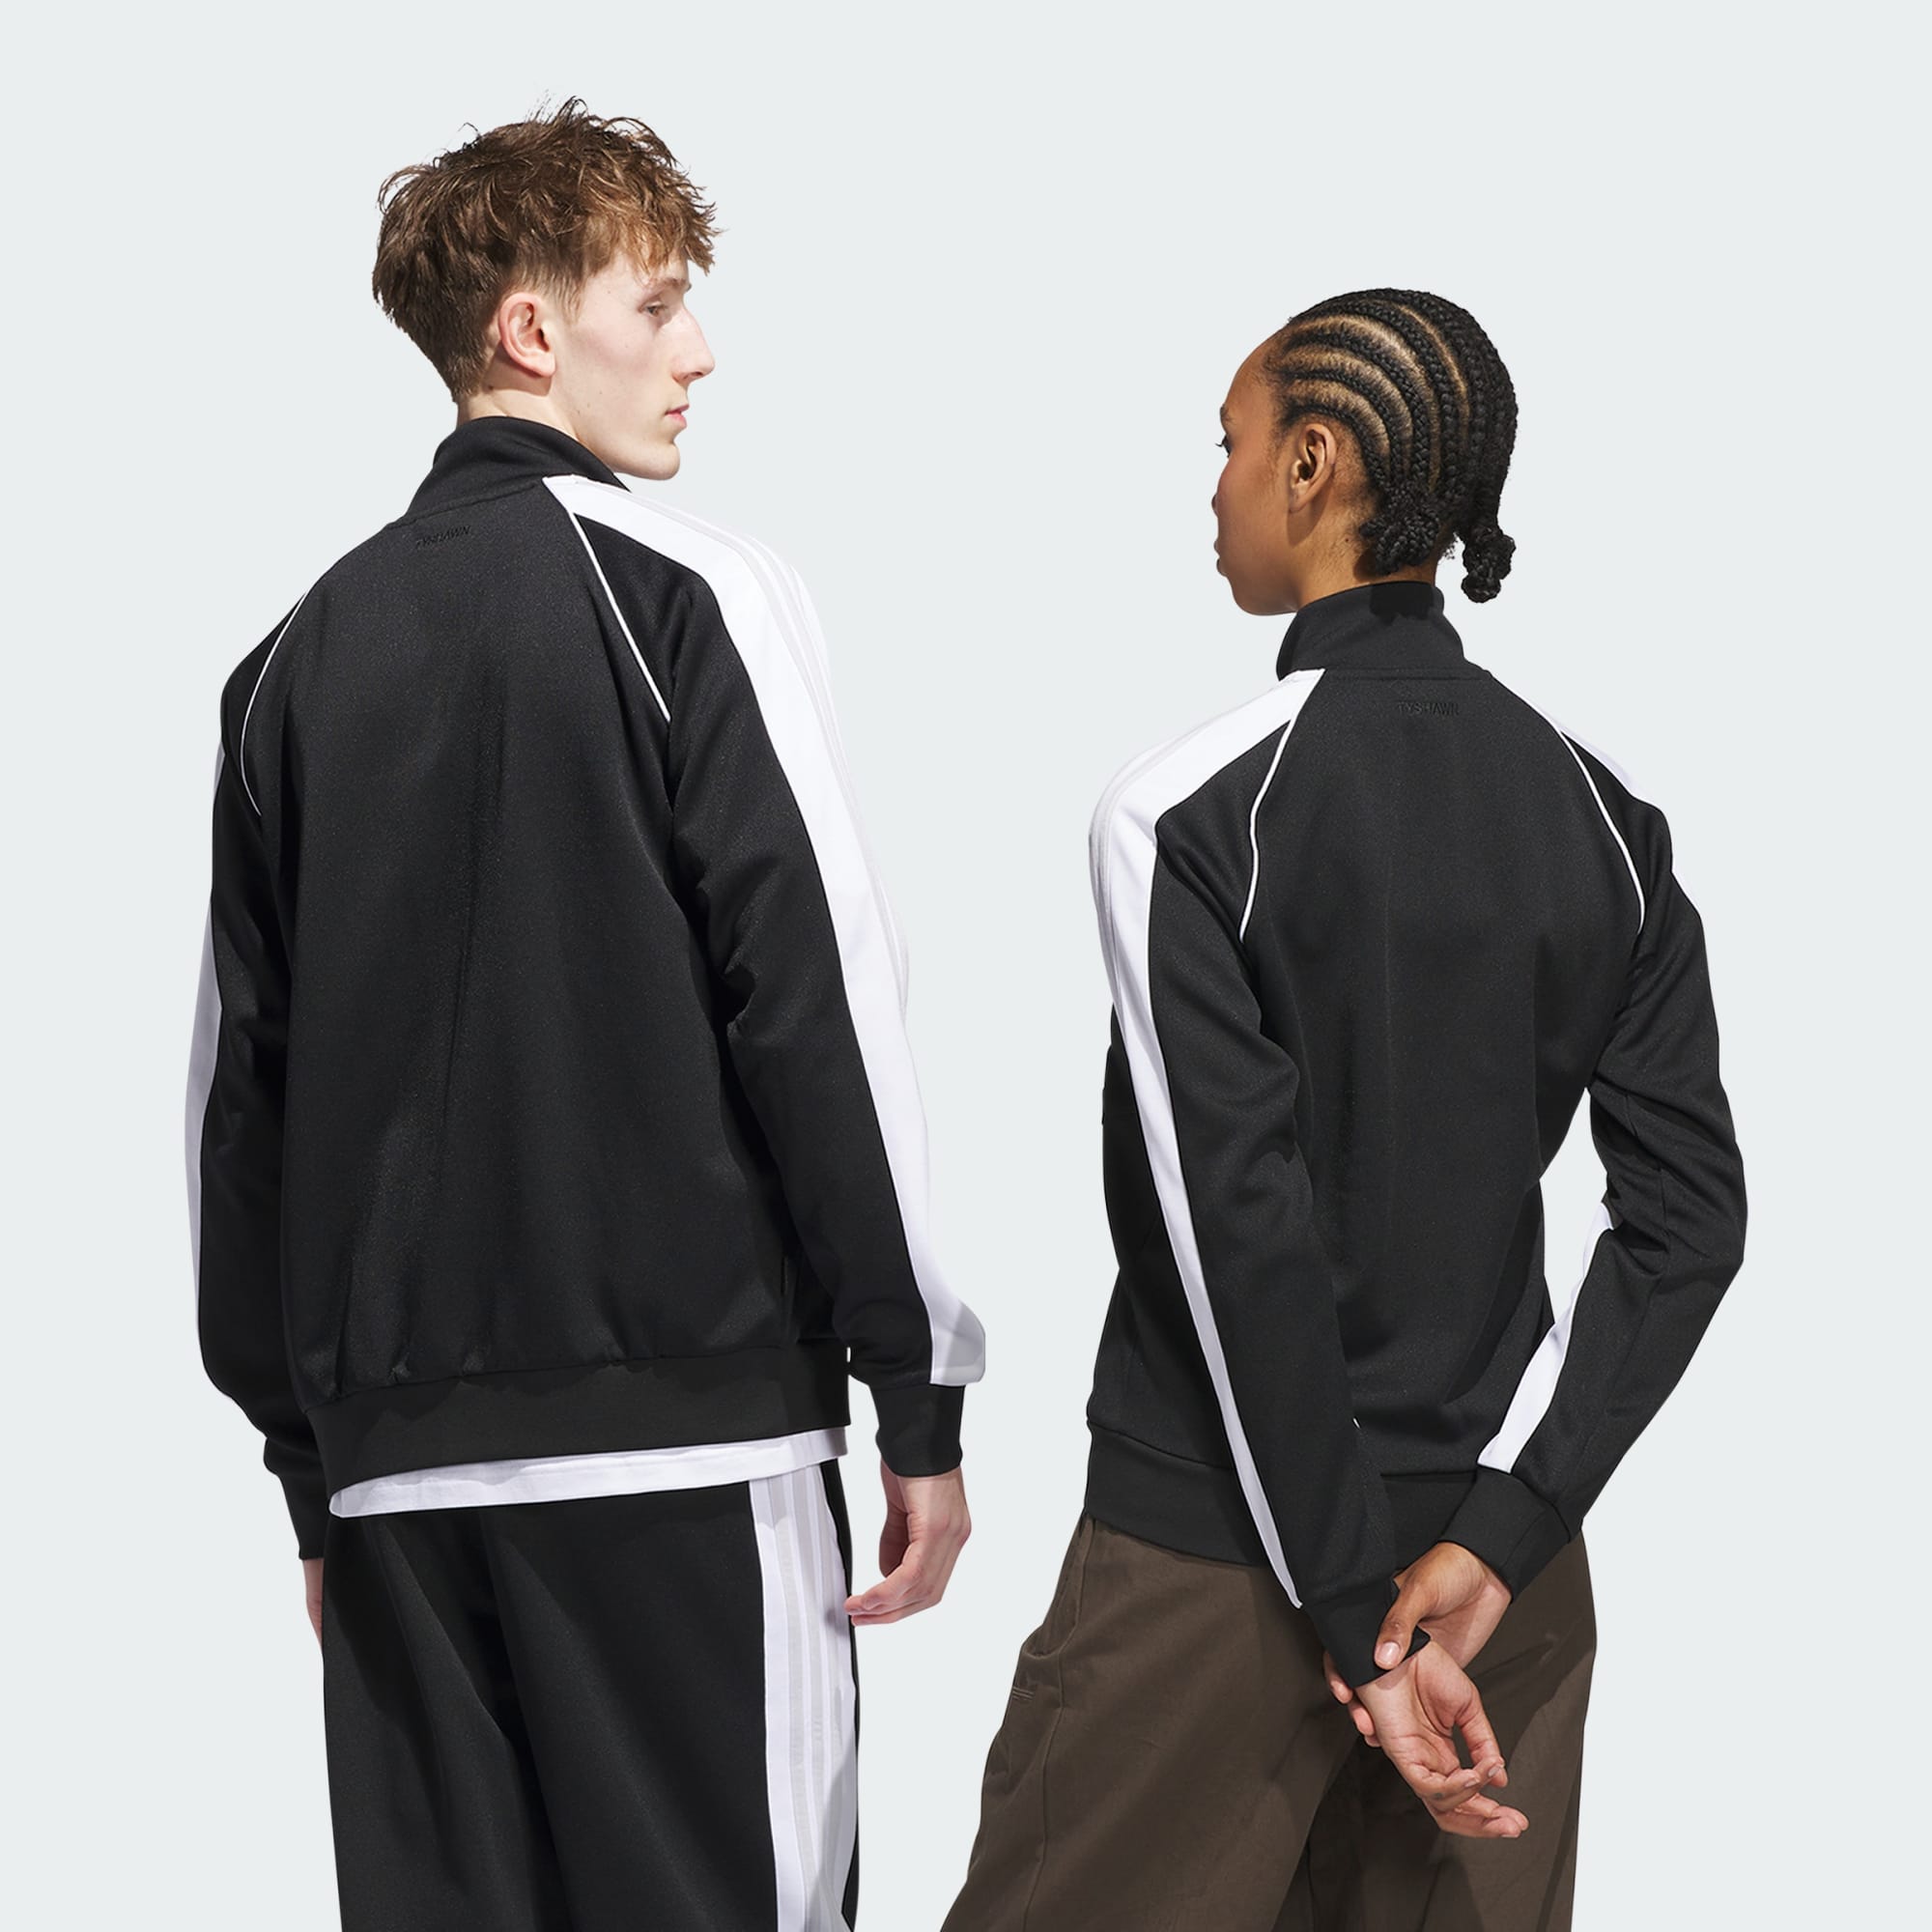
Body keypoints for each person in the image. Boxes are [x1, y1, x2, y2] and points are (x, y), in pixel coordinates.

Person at [184, 98, 984, 1932]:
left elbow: (244, 1108)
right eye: (659, 301)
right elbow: (821, 1005)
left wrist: (314, 1475)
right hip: (689, 1457)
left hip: (399, 1495)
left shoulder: (287, 665)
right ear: (533, 330)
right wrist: (917, 1394)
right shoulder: (693, 589)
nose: (698, 352)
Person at [941, 289, 1746, 1931]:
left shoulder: (1186, 813)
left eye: (1231, 444)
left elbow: (1236, 1227)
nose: (1215, 485)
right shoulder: (1606, 819)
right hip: (1495, 1603)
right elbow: (1690, 1223)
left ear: (1313, 465)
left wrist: (1345, 1610)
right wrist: (1513, 1527)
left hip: (1221, 1578)